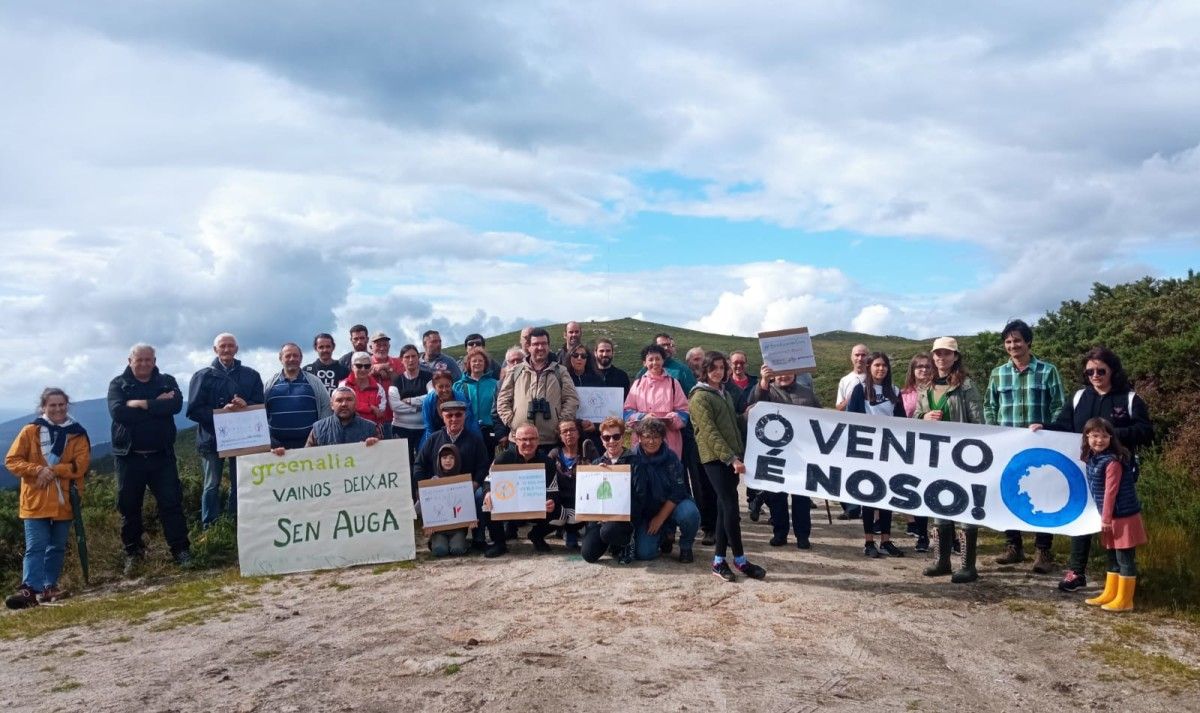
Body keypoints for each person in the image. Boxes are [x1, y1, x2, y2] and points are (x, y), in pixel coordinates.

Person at [1033, 347, 1153, 593]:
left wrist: (1109, 436)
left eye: (1101, 370)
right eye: (1090, 371)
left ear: (1112, 370)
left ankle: (1120, 576)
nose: (1095, 375)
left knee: (1114, 522)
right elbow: (1065, 426)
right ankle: (1077, 572)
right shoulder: (1079, 397)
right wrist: (1043, 427)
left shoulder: (1129, 399)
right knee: (1081, 517)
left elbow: (1146, 431)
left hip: (1119, 473)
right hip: (1085, 471)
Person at [984, 319, 1066, 573]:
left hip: (1040, 444)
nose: (1013, 345)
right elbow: (990, 405)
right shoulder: (998, 373)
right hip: (1008, 444)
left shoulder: (1047, 370)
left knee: (1043, 492)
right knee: (1010, 490)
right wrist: (994, 430)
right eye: (1008, 341)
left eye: (1017, 340)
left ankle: (1043, 551)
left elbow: (1059, 405)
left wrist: (1049, 429)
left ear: (1028, 342)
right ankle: (1014, 547)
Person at [107, 344, 192, 576]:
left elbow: (174, 405)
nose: (144, 363)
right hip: (129, 458)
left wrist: (141, 403)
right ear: (129, 360)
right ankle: (133, 554)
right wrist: (157, 404)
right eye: (139, 359)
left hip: (161, 456)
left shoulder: (167, 380)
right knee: (129, 507)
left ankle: (181, 550)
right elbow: (119, 413)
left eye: (148, 359)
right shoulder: (118, 384)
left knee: (172, 504)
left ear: (154, 360)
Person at [5, 388, 90, 609]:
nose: (57, 409)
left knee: (57, 546)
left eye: (61, 404)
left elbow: (81, 465)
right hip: (36, 499)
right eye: (52, 405)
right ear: (44, 407)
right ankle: (29, 590)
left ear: (67, 405)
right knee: (36, 546)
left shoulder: (77, 433)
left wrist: (53, 470)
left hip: (64, 500)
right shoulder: (30, 431)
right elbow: (12, 460)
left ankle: (49, 586)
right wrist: (36, 470)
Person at [690, 350, 766, 582]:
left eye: (722, 368)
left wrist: (745, 414)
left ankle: (718, 561)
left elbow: (730, 421)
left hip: (730, 456)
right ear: (704, 369)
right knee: (731, 508)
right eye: (713, 368)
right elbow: (710, 433)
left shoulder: (722, 393)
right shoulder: (699, 397)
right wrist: (731, 459)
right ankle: (740, 560)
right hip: (716, 459)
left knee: (725, 509)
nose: (718, 372)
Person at [916, 338, 985, 582]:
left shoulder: (966, 386)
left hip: (963, 456)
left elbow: (978, 422)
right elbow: (914, 417)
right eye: (937, 354)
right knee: (939, 503)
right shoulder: (925, 387)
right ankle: (942, 561)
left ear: (955, 357)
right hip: (935, 456)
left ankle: (968, 566)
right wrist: (924, 417)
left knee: (964, 505)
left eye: (946, 354)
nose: (941, 358)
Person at [186, 332, 264, 528]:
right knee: (212, 485)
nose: (227, 349)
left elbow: (260, 404)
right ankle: (210, 526)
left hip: (242, 440)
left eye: (231, 346)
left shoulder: (251, 375)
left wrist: (246, 404)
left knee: (241, 483)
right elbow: (193, 410)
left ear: (236, 349)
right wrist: (220, 413)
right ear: (215, 349)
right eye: (223, 346)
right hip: (211, 440)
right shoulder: (202, 376)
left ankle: (237, 521)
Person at [747, 365, 821, 549]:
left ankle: (802, 536)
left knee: (801, 498)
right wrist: (763, 383)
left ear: (795, 372)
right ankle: (780, 533)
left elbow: (821, 419)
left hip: (801, 455)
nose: (784, 375)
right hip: (775, 454)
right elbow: (752, 407)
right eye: (779, 372)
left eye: (787, 370)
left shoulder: (807, 394)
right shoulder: (766, 391)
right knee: (776, 496)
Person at [1078, 418, 1146, 612]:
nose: (1099, 440)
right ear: (1087, 437)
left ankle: (1125, 600)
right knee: (1112, 557)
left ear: (1111, 438)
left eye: (1104, 436)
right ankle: (1111, 593)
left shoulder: (1112, 462)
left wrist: (1106, 518)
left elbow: (1110, 491)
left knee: (1124, 558)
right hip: (1109, 516)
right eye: (1095, 435)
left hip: (1122, 516)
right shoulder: (1092, 458)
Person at [413, 400, 497, 556]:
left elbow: (483, 465)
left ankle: (478, 538)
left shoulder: (474, 440)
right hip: (440, 491)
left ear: (464, 416)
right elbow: (419, 464)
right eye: (449, 415)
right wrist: (423, 487)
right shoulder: (433, 439)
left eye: (458, 415)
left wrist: (476, 482)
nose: (454, 419)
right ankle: (437, 535)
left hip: (468, 489)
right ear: (442, 416)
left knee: (480, 496)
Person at [846, 351, 906, 558]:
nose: (881, 369)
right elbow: (851, 419)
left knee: (887, 495)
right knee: (869, 495)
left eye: (884, 365)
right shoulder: (860, 389)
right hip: (867, 450)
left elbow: (902, 420)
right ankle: (869, 541)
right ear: (870, 367)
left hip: (889, 450)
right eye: (877, 365)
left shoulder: (895, 391)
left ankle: (886, 540)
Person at [496, 327, 579, 453]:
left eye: (544, 343)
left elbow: (571, 399)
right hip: (519, 440)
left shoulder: (560, 371)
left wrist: (560, 422)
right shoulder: (515, 371)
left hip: (550, 440)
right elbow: (502, 400)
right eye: (536, 344)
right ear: (528, 347)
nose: (540, 347)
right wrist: (512, 422)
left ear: (548, 346)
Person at [489, 424, 557, 551]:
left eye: (532, 439)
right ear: (516, 440)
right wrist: (488, 492)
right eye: (523, 439)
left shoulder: (547, 462)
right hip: (510, 506)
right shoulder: (503, 458)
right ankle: (499, 543)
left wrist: (551, 500)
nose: (528, 443)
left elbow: (553, 490)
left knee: (559, 509)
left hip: (536, 508)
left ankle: (537, 536)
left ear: (538, 440)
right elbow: (489, 480)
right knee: (486, 502)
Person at [581, 417, 637, 564]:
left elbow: (641, 496)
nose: (611, 441)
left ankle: (627, 541)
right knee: (588, 554)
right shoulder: (596, 463)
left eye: (616, 436)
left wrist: (617, 515)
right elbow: (588, 498)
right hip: (600, 519)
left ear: (623, 437)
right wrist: (596, 476)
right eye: (607, 437)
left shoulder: (635, 462)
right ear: (601, 439)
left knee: (609, 531)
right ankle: (612, 543)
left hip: (625, 519)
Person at [624, 344, 689, 459]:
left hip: (669, 441)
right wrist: (642, 417)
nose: (655, 362)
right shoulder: (637, 384)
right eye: (650, 359)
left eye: (658, 359)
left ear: (663, 360)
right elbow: (627, 411)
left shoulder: (674, 384)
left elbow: (684, 411)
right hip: (642, 440)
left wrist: (672, 419)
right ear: (644, 363)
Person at [264, 343, 332, 450]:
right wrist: (270, 441)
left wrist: (319, 436)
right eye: (288, 356)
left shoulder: (315, 382)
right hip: (277, 448)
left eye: (295, 356)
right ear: (280, 359)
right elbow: (261, 412)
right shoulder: (270, 385)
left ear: (301, 358)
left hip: (309, 445)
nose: (292, 359)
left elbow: (326, 408)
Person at [898, 352, 935, 549]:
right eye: (919, 366)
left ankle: (951, 537)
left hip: (939, 449)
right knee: (918, 492)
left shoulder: (940, 390)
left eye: (927, 366)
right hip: (914, 449)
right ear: (912, 370)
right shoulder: (903, 395)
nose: (923, 369)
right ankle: (922, 534)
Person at [545, 419, 598, 549]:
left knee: (577, 514)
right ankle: (563, 529)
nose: (569, 434)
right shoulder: (554, 454)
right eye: (565, 431)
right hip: (560, 499)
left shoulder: (588, 450)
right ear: (560, 436)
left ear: (579, 433)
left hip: (581, 500)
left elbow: (599, 474)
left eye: (572, 430)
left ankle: (572, 531)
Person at [388, 343, 433, 473]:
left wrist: (410, 401)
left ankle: (422, 492)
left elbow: (431, 397)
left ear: (418, 358)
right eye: (407, 357)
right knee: (404, 465)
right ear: (401, 360)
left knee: (423, 464)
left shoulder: (428, 377)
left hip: (423, 429)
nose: (411, 360)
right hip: (401, 429)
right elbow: (395, 406)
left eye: (414, 356)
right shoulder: (396, 381)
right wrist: (417, 407)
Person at [456, 346, 505, 457]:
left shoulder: (495, 384)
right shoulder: (459, 386)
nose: (477, 363)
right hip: (466, 431)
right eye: (474, 361)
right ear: (468, 364)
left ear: (485, 364)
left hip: (490, 431)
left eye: (480, 361)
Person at [303, 386, 382, 447]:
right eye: (339, 400)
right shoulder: (318, 429)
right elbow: (307, 457)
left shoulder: (371, 428)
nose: (344, 404)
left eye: (349, 400)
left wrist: (375, 445)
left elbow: (382, 457)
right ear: (331, 405)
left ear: (356, 404)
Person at [421, 370, 480, 446]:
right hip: (436, 440)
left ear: (452, 385)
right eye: (440, 386)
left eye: (447, 386)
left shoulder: (461, 398)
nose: (444, 390)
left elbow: (470, 423)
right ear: (434, 387)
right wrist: (432, 446)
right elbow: (429, 427)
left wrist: (475, 443)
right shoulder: (428, 401)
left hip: (461, 439)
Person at [340, 352, 387, 429]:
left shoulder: (378, 388)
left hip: (372, 431)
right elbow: (343, 407)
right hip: (348, 429)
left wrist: (356, 408)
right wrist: (370, 408)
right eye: (359, 366)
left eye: (367, 366)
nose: (363, 369)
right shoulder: (344, 385)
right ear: (352, 367)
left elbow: (380, 413)